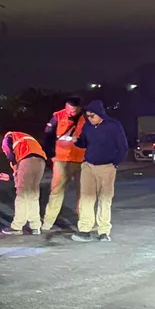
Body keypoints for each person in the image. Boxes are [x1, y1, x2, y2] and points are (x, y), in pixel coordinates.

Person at [71, 100, 129, 242]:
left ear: (100, 114)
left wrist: (115, 163)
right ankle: (85, 230)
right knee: (86, 198)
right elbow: (85, 143)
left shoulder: (114, 125)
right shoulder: (87, 126)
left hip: (107, 167)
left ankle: (103, 231)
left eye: (92, 116)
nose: (90, 119)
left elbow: (123, 147)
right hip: (88, 166)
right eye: (87, 116)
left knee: (105, 199)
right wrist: (77, 142)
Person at [41, 96, 86, 231]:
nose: (69, 113)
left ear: (79, 109)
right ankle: (48, 222)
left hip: (82, 160)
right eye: (67, 110)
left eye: (73, 111)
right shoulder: (58, 117)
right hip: (61, 160)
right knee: (56, 191)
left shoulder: (86, 117)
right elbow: (47, 137)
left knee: (84, 193)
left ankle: (85, 223)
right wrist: (51, 156)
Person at [0, 130, 48, 235]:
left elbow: (11, 156)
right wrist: (12, 176)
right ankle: (35, 226)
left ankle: (17, 227)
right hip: (41, 162)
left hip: (27, 161)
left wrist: (15, 172)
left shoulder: (8, 138)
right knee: (33, 195)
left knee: (22, 194)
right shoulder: (25, 137)